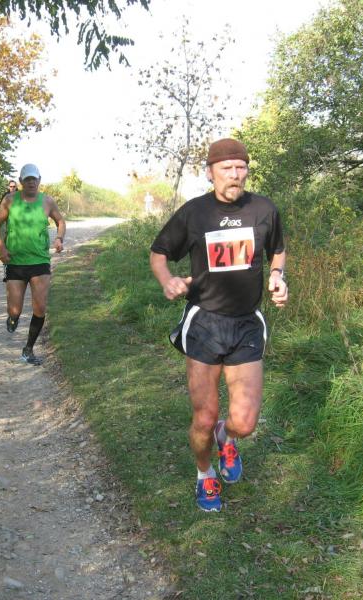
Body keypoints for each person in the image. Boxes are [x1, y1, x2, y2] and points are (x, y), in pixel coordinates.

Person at [149, 138, 288, 512]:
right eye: (227, 168)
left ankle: (228, 438)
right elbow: (159, 253)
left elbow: (277, 249)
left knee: (245, 422)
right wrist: (167, 281)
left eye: (241, 167)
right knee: (205, 417)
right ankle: (205, 473)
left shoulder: (263, 209)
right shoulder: (195, 213)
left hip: (246, 323)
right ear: (210, 173)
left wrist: (278, 276)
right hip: (205, 324)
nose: (235, 174)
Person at [0, 163, 66, 365]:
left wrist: (59, 238)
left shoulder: (47, 201)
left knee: (40, 307)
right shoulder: (9, 200)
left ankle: (28, 350)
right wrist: (2, 248)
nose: (31, 182)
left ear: (39, 180)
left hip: (40, 261)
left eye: (34, 179)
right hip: (15, 261)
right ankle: (12, 318)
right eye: (27, 179)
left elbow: (60, 221)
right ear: (21, 181)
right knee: (14, 310)